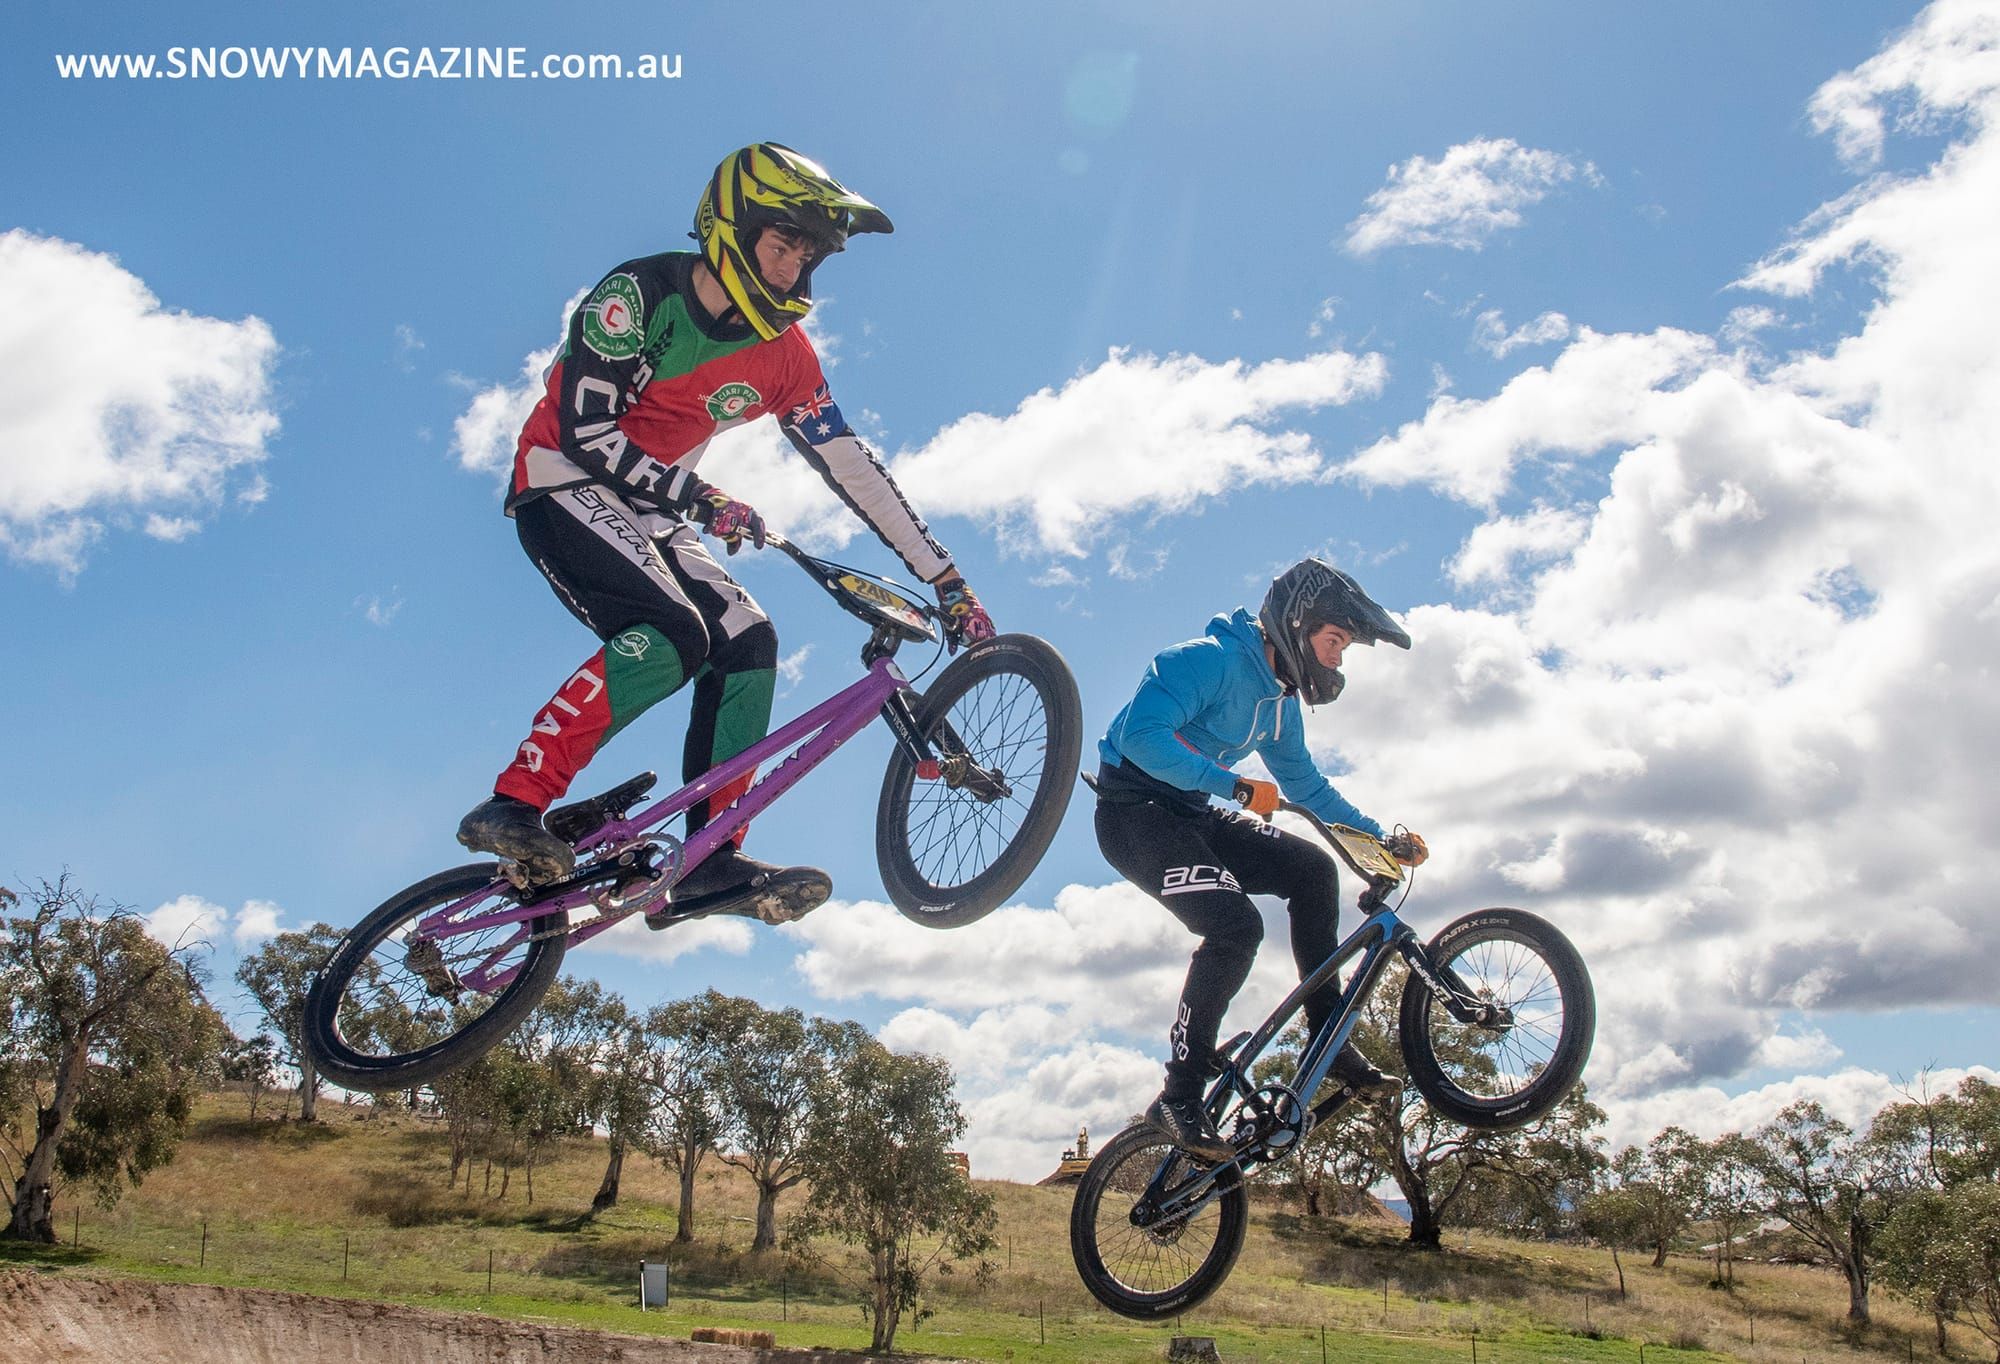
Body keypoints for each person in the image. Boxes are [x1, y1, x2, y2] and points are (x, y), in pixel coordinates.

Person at [456, 143, 995, 924]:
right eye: (782, 247)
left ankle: (710, 860)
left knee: (749, 640)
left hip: (652, 510)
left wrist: (946, 578)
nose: (793, 275)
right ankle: (513, 803)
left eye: (807, 258)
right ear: (733, 232)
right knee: (672, 632)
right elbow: (585, 431)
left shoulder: (787, 357)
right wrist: (700, 495)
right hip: (562, 481)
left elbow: (853, 466)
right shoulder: (637, 296)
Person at [1093, 559, 1428, 1161]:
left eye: (1344, 649)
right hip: (1133, 815)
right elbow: (1142, 736)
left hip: (1192, 813)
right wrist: (1233, 784)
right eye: (1334, 643)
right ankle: (1179, 1093)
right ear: (1298, 627)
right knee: (1235, 926)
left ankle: (1329, 1040)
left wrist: (1384, 842)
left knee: (1313, 871)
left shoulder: (1279, 704)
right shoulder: (1206, 661)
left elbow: (1311, 790)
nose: (1337, 660)